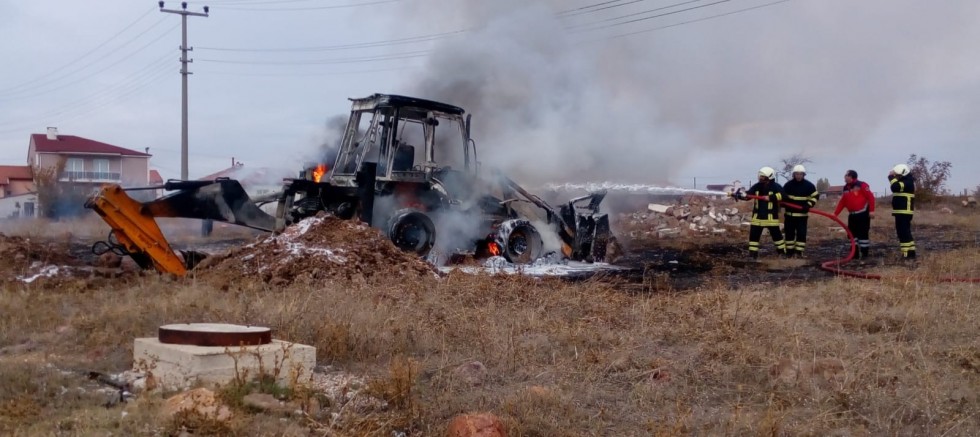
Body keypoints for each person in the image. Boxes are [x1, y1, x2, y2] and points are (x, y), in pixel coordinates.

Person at [736, 166, 787, 259]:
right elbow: (748, 195)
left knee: (777, 237)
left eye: (763, 176)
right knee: (753, 238)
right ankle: (753, 256)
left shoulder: (776, 186)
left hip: (770, 218)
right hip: (757, 218)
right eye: (760, 176)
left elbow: (784, 196)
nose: (760, 178)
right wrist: (740, 195)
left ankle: (782, 254)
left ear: (769, 177)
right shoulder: (757, 186)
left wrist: (771, 197)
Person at [833, 170, 876, 259]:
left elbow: (871, 197)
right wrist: (835, 214)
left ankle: (864, 253)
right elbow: (842, 202)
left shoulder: (862, 185)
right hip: (852, 215)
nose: (844, 177)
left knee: (863, 234)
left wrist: (871, 211)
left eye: (846, 175)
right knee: (852, 234)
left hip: (862, 214)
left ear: (850, 176)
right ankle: (854, 253)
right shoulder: (846, 188)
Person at [781, 164, 819, 257]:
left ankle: (799, 252)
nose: (798, 176)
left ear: (803, 175)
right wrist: (782, 203)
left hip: (802, 216)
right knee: (789, 234)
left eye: (800, 174)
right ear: (793, 174)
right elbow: (782, 196)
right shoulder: (788, 185)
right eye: (797, 174)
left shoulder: (809, 186)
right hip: (789, 215)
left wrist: (808, 204)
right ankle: (789, 252)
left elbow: (815, 197)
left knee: (801, 234)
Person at [888, 164, 916, 259]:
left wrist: (890, 177)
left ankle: (906, 253)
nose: (896, 177)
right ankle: (911, 252)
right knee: (906, 232)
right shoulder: (906, 181)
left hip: (904, 212)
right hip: (902, 212)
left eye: (897, 175)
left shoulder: (906, 182)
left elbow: (895, 187)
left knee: (902, 232)